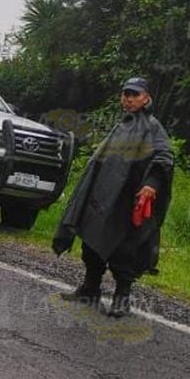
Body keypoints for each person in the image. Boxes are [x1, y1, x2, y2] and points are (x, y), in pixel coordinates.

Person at [53, 77, 174, 318]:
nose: (128, 98)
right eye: (125, 94)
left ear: (146, 98)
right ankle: (90, 289)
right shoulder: (122, 125)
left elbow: (164, 157)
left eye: (134, 94)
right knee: (91, 240)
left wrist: (151, 185)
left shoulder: (152, 127)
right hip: (103, 197)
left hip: (128, 200)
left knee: (123, 250)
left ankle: (122, 298)